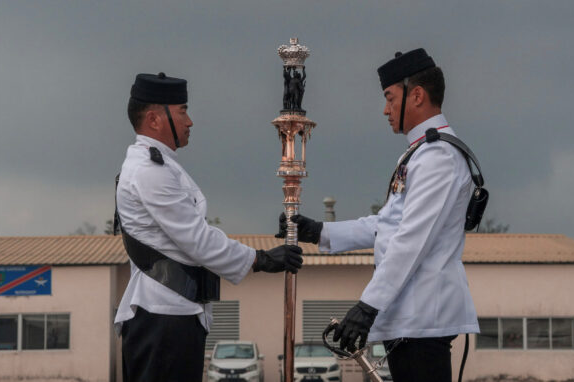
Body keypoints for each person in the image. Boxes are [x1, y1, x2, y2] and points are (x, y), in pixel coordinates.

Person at [277, 49, 479, 382]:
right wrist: (318, 231)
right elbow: (386, 226)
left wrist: (368, 306)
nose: (385, 110)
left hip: (422, 316)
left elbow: (411, 239)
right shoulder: (421, 153)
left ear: (416, 96)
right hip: (409, 317)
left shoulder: (438, 157)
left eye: (390, 98)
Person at [115, 72, 303, 382]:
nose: (190, 122)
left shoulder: (157, 165)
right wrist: (260, 259)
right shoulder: (150, 171)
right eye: (182, 111)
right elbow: (197, 240)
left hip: (172, 312)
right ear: (154, 119)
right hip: (164, 316)